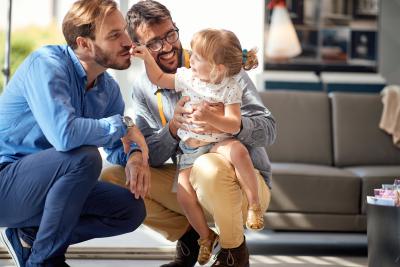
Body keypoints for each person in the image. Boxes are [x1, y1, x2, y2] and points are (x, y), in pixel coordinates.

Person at [101, 1, 276, 266]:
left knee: (208, 166)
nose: (168, 47)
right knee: (113, 178)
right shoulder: (145, 88)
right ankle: (194, 239)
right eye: (154, 43)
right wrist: (172, 130)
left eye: (170, 34)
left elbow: (269, 131)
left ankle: (234, 253)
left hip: (242, 180)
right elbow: (152, 158)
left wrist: (228, 123)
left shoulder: (221, 63)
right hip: (193, 176)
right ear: (140, 47)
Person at [0, 0, 150, 266]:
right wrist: (123, 124)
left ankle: (32, 236)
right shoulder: (46, 64)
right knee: (85, 157)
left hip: (51, 188)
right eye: (114, 35)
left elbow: (118, 147)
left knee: (130, 210)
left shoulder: (108, 89)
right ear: (84, 44)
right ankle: (44, 261)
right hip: (6, 183)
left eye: (124, 30)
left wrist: (135, 155)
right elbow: (64, 135)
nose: (128, 41)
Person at [132, 28, 264, 265]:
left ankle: (254, 204)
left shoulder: (231, 85)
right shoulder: (188, 77)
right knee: (184, 194)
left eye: (198, 58)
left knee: (238, 151)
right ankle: (205, 237)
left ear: (217, 68)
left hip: (219, 144)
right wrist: (147, 59)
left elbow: (234, 124)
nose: (190, 59)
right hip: (192, 150)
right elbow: (159, 79)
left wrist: (211, 117)